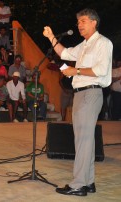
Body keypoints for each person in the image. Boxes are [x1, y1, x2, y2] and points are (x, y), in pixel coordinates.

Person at [43, 8, 113, 196]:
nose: (79, 25)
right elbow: (64, 53)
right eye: (78, 22)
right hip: (81, 94)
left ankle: (78, 185)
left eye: (83, 21)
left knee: (82, 141)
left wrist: (77, 72)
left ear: (93, 22)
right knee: (84, 141)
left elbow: (100, 70)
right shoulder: (84, 45)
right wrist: (50, 37)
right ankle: (88, 182)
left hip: (91, 93)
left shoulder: (103, 43)